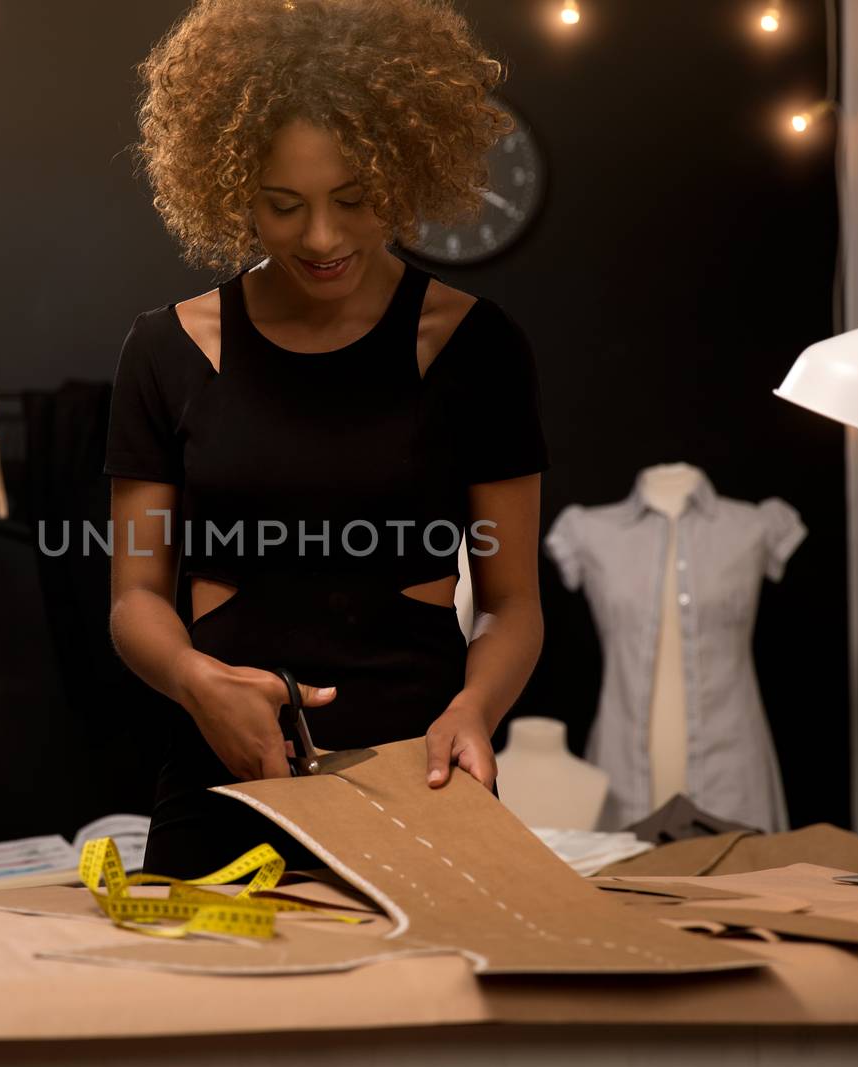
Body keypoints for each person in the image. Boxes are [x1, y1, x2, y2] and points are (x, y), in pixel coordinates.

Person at [104, 0, 549, 878]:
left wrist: (475, 711)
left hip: (422, 780)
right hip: (225, 780)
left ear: (405, 169)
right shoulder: (166, 350)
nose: (321, 237)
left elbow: (511, 602)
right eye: (283, 205)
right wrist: (198, 683)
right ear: (232, 189)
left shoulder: (475, 347)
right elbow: (134, 599)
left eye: (354, 199)